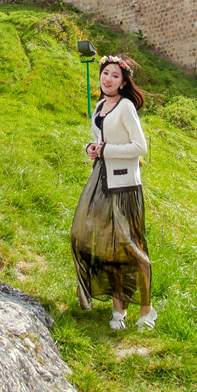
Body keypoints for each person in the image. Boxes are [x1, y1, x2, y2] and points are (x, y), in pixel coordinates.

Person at [70, 54, 156, 331]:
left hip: (125, 186)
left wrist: (107, 150)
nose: (108, 79)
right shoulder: (99, 107)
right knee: (93, 240)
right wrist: (91, 149)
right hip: (100, 182)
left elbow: (139, 147)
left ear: (123, 82)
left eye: (115, 76)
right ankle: (117, 311)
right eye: (105, 73)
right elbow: (99, 140)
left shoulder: (126, 107)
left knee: (129, 248)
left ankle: (146, 310)